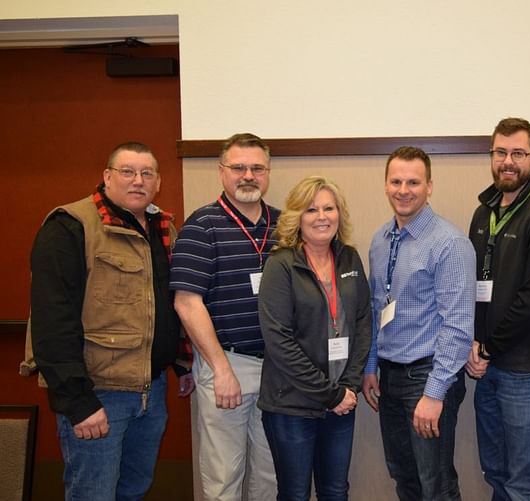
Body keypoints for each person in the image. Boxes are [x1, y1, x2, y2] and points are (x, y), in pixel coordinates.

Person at [25, 142, 194, 500]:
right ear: (106, 177)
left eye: (147, 173)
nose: (138, 181)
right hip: (98, 394)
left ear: (158, 182)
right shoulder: (70, 227)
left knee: (133, 491)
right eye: (127, 172)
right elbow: (52, 320)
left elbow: (167, 305)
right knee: (93, 494)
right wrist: (78, 402)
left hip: (152, 392)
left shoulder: (162, 229)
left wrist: (181, 363)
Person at [465, 117, 530, 501]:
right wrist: (475, 345)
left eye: (517, 153)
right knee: (497, 472)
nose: (507, 161)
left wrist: (488, 348)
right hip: (488, 364)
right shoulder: (484, 211)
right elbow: (475, 286)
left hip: (526, 372)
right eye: (500, 152)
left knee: (525, 482)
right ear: (490, 155)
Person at [361, 146, 476, 501]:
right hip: (390, 378)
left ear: (429, 186)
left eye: (413, 181)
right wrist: (370, 367)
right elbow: (377, 307)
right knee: (404, 477)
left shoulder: (450, 243)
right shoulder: (381, 240)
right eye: (396, 181)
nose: (403, 189)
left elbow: (457, 326)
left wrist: (434, 392)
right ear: (385, 185)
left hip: (427, 378)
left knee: (435, 484)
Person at [171, 133, 279, 500]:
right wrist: (220, 369)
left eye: (257, 168)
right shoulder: (201, 226)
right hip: (227, 364)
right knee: (223, 478)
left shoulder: (285, 226)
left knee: (272, 474)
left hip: (279, 370)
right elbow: (186, 303)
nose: (248, 175)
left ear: (267, 173)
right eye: (238, 168)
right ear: (222, 172)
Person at [257, 176, 371, 501]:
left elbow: (363, 322)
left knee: (336, 491)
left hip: (340, 401)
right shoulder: (280, 265)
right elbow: (279, 341)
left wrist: (347, 387)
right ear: (297, 217)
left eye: (328, 208)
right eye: (311, 209)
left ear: (339, 213)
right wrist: (329, 394)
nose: (322, 216)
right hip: (291, 405)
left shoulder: (349, 258)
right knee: (294, 494)